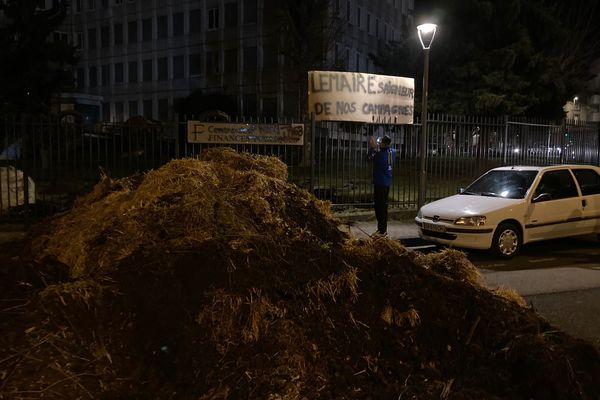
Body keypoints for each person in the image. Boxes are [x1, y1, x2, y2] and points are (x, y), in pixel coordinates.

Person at [368, 134, 397, 236]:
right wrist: (377, 148)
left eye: (381, 142)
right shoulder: (393, 152)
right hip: (387, 182)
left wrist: (372, 148)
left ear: (383, 143)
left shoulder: (379, 154)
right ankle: (382, 229)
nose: (379, 143)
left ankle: (381, 231)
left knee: (379, 207)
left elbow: (369, 158)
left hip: (379, 183)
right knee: (384, 207)